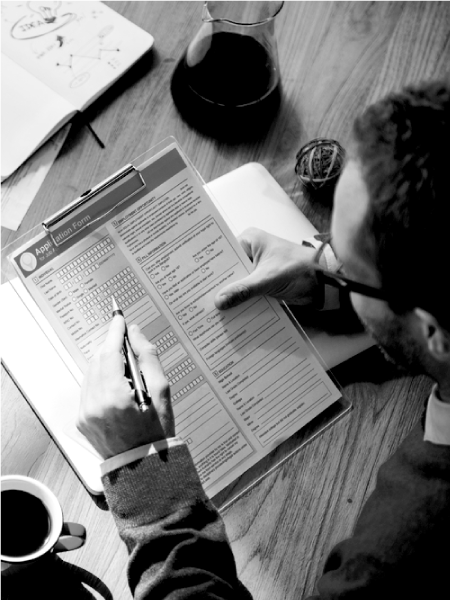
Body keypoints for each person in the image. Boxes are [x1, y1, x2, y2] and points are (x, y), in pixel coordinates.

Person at [77, 80, 450, 598]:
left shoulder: (392, 557)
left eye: (350, 271)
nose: (324, 260)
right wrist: (326, 282)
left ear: (434, 333)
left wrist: (145, 475)